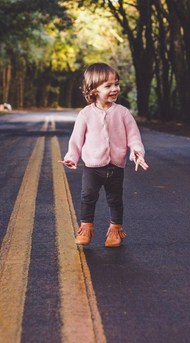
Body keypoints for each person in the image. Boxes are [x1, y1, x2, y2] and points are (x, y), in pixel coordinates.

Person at [62, 63, 148, 247]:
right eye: (108, 86)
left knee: (115, 199)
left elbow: (134, 138)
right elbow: (76, 141)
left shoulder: (123, 113)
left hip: (116, 167)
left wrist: (137, 153)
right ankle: (85, 230)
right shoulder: (85, 114)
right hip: (93, 167)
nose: (114, 89)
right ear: (93, 90)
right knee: (88, 196)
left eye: (116, 84)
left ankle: (115, 232)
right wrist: (71, 157)